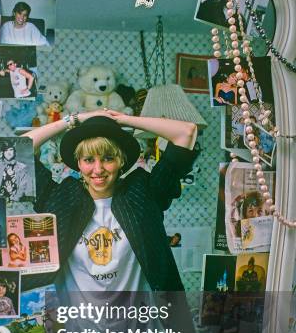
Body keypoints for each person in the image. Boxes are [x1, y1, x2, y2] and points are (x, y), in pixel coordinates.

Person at [23, 109, 197, 295]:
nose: (98, 169)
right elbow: (18, 147)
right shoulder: (60, 197)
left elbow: (186, 132)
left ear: (121, 160)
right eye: (89, 160)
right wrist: (76, 119)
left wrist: (122, 120)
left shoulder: (144, 192)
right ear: (78, 163)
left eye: (108, 158)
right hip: (77, 321)